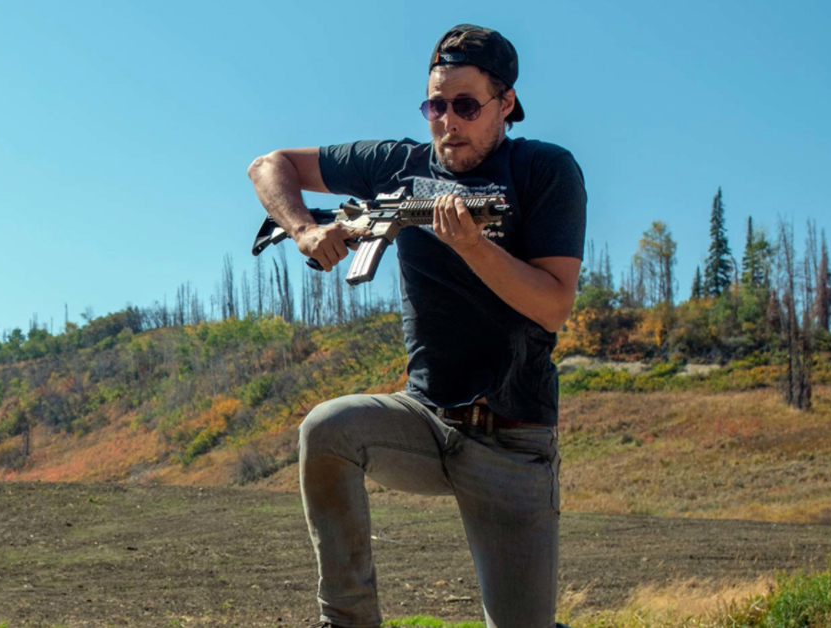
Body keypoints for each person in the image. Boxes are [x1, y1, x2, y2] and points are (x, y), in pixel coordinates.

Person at [246, 24, 586, 628]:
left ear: (506, 103)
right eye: (435, 106)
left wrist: (473, 246)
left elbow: (553, 305)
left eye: (466, 106)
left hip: (512, 437)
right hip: (425, 419)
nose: (447, 122)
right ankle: (348, 621)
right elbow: (269, 166)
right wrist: (305, 230)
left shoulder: (544, 170)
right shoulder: (396, 164)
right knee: (327, 430)